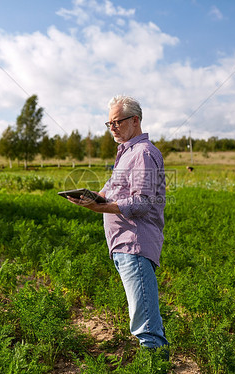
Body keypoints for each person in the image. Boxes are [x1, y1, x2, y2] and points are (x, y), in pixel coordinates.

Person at [67, 95, 169, 356]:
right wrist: (90, 199)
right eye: (109, 123)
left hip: (134, 244)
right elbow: (112, 194)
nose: (112, 127)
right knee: (143, 318)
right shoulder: (126, 154)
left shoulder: (143, 153)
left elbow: (142, 202)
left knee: (144, 324)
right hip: (123, 245)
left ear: (135, 120)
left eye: (117, 121)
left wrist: (99, 207)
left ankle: (155, 365)